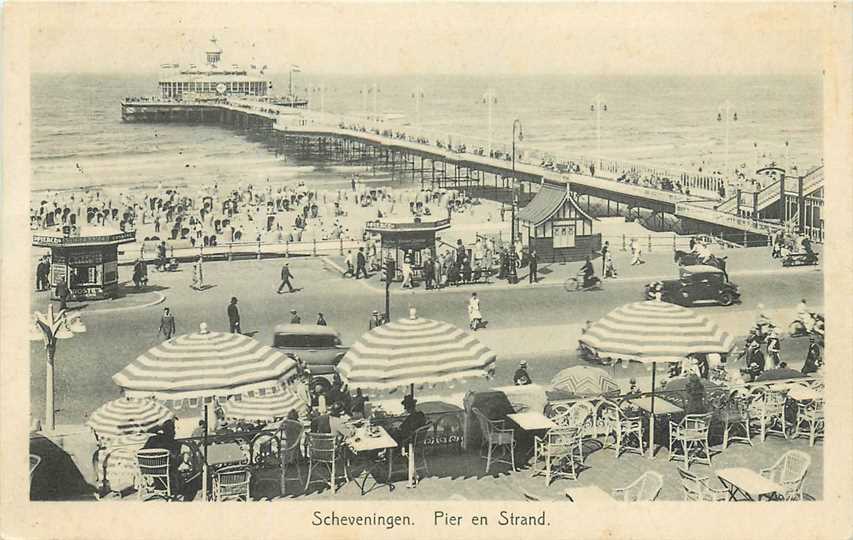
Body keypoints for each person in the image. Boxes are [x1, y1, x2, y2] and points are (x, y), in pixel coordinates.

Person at [142, 419, 184, 497]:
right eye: (174, 429)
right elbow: (175, 459)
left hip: (148, 470)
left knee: (166, 462)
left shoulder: (152, 439)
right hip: (165, 470)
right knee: (178, 459)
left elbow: (141, 452)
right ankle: (173, 486)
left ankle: (161, 486)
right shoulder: (174, 443)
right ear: (172, 430)